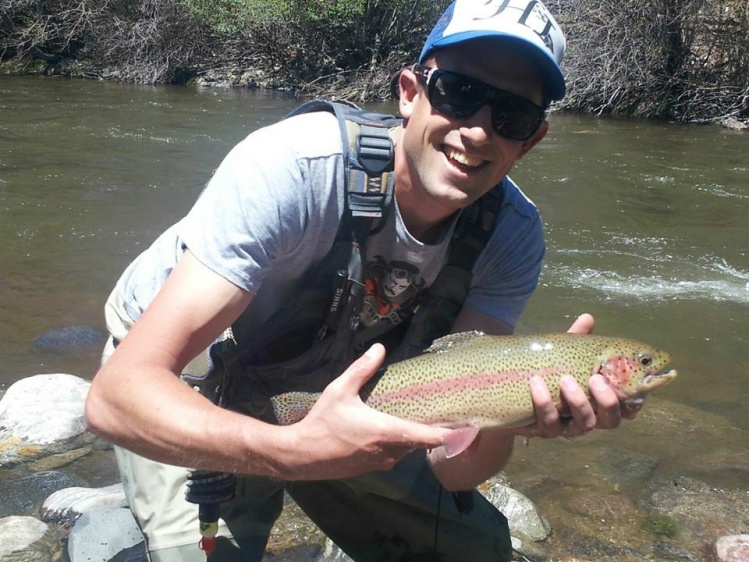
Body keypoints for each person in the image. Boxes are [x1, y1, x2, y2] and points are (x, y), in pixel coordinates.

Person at [85, 1, 639, 561]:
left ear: (533, 139)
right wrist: (291, 452)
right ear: (408, 93)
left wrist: (510, 419)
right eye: (460, 93)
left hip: (348, 386)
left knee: (474, 552)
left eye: (512, 116)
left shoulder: (512, 238)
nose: (477, 131)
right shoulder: (295, 167)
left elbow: (452, 471)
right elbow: (117, 398)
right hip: (197, 369)